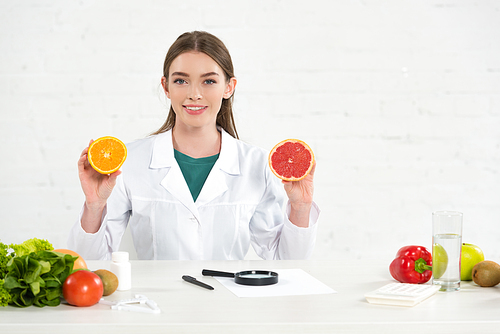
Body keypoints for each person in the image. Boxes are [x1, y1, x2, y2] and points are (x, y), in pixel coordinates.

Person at [68, 31, 320, 260]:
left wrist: (300, 206)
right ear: (165, 87)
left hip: (228, 305)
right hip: (158, 307)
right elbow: (89, 264)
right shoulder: (130, 162)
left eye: (209, 81)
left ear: (228, 87)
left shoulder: (257, 165)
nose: (194, 94)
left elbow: (287, 264)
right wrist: (94, 205)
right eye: (181, 81)